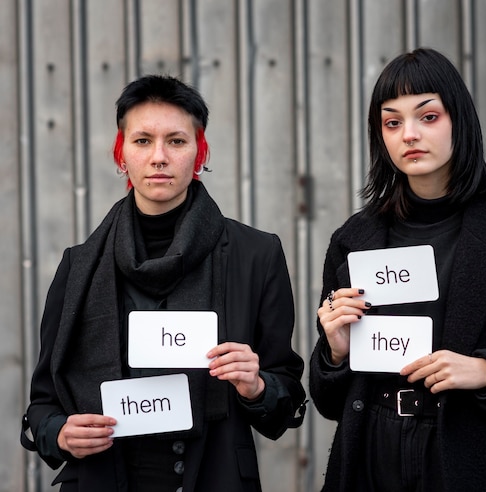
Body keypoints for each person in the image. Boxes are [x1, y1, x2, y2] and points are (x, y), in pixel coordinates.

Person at [309, 48, 486, 491]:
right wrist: (334, 352)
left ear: (459, 121)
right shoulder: (353, 241)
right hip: (375, 457)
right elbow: (331, 401)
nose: (409, 134)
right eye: (392, 122)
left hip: (480, 465)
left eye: (428, 116)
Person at [21, 74, 306, 492]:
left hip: (213, 476)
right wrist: (61, 434)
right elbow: (43, 403)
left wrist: (256, 384)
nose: (159, 157)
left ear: (199, 152)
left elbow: (287, 400)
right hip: (104, 477)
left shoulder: (256, 256)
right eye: (142, 141)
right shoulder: (79, 266)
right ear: (121, 155)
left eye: (176, 141)